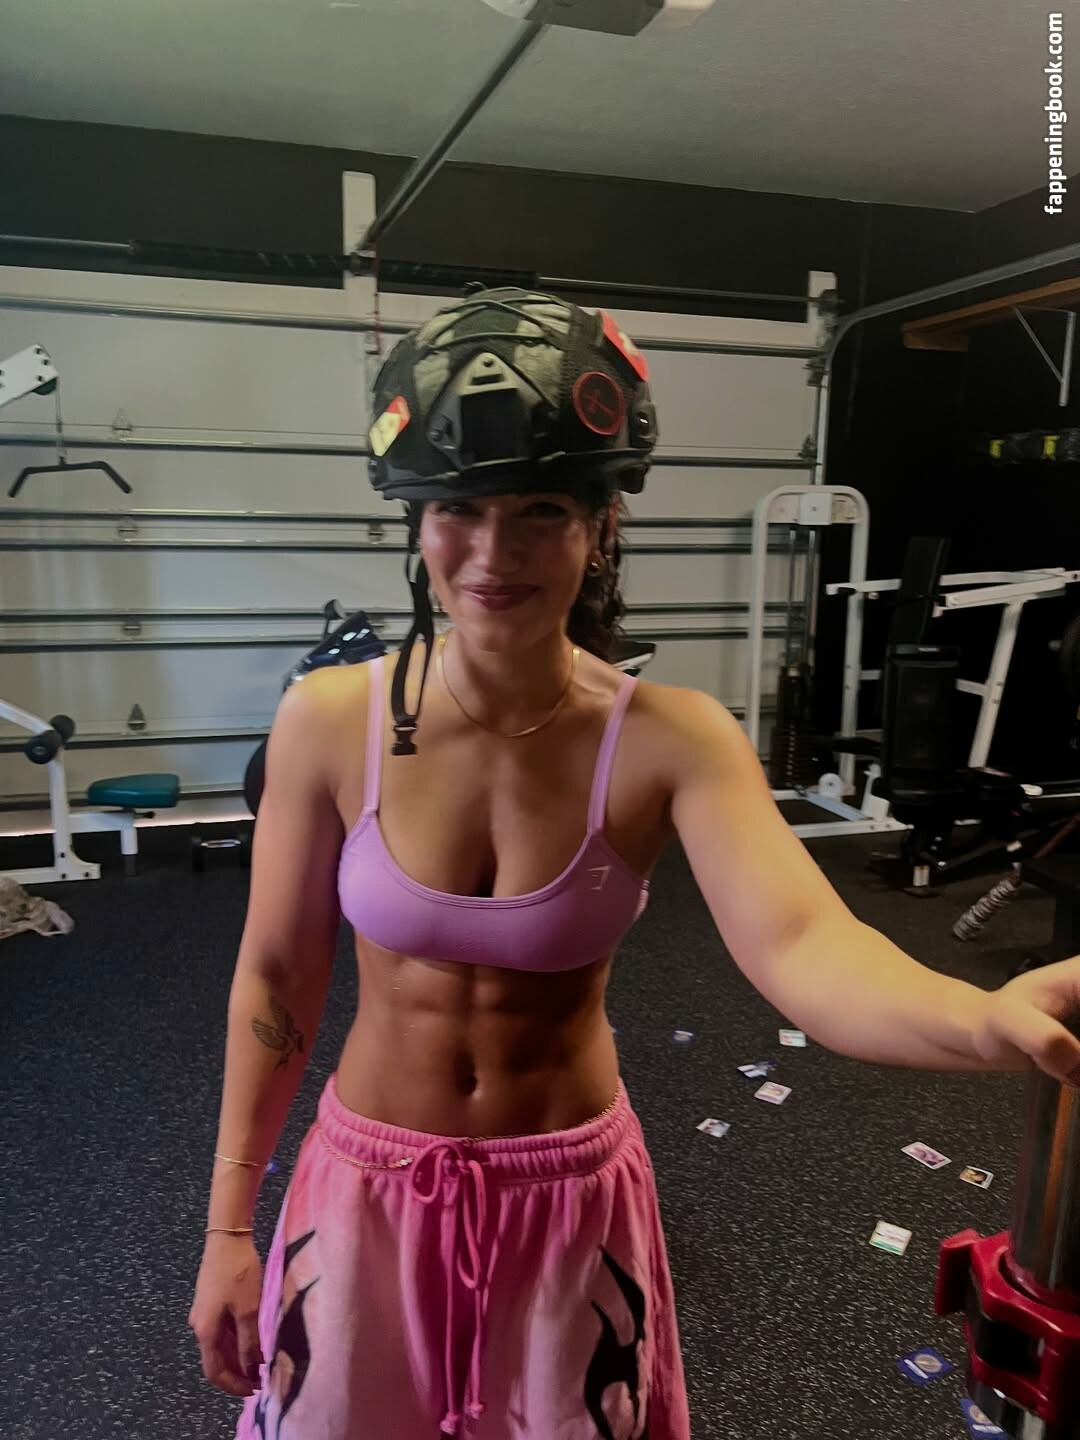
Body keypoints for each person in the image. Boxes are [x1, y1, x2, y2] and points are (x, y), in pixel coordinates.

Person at [188, 289, 1080, 1440]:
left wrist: (984, 1021)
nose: (492, 553)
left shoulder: (672, 739)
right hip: (367, 1183)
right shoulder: (326, 720)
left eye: (541, 509)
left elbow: (808, 946)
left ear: (603, 523)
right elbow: (274, 981)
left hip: (568, 1200)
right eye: (457, 509)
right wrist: (227, 1229)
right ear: (415, 519)